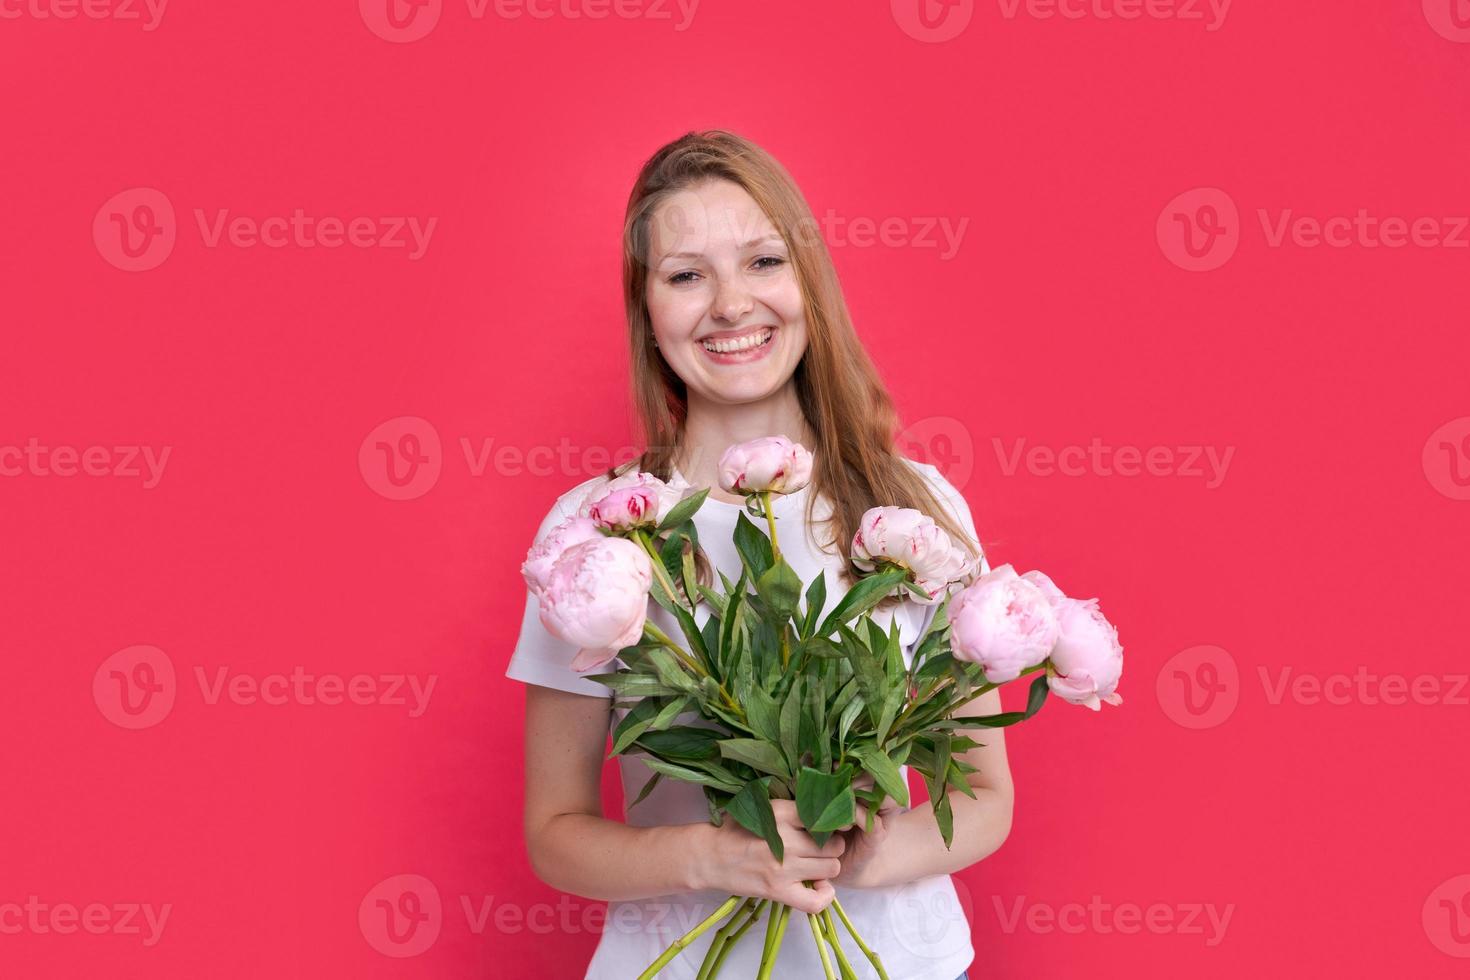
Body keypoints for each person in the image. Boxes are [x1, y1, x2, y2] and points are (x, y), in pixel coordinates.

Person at [505, 130, 1010, 979]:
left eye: (763, 261)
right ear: (648, 311)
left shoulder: (913, 511)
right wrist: (716, 855)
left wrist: (859, 856)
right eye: (687, 275)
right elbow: (554, 834)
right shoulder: (594, 533)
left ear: (808, 282)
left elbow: (985, 800)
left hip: (895, 962)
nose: (732, 305)